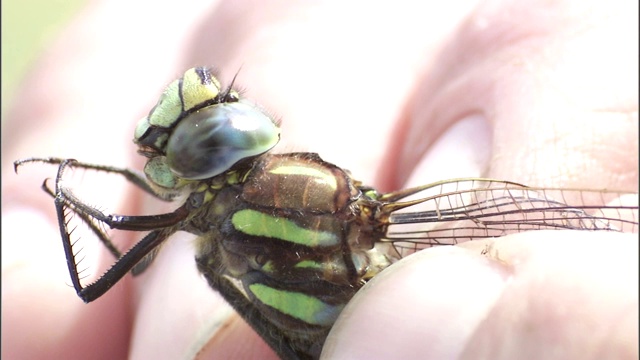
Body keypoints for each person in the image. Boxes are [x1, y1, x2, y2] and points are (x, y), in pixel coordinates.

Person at [3, 1, 637, 359]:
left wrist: (62, 193)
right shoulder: (219, 204)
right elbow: (116, 265)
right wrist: (76, 191)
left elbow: (106, 256)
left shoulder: (229, 209)